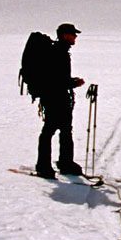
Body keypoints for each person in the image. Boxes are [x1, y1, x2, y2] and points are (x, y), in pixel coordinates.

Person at [35, 23, 86, 178]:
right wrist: (72, 83)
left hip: (59, 97)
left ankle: (65, 163)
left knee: (64, 130)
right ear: (64, 35)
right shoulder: (58, 52)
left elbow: (59, 78)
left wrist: (71, 82)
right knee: (50, 130)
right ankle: (44, 166)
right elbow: (54, 79)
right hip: (54, 98)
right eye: (73, 34)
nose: (75, 37)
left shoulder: (61, 51)